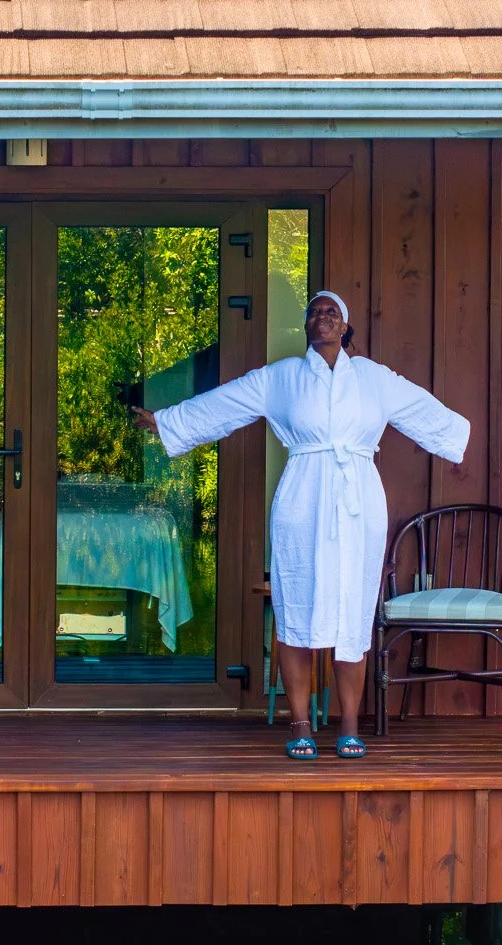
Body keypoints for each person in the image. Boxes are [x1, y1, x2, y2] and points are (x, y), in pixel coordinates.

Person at [131, 291, 469, 759]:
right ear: (307, 326)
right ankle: (300, 723)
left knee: (351, 610)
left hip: (358, 503)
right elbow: (226, 403)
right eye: (315, 311)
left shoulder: (375, 379)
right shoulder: (282, 378)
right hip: (302, 499)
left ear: (345, 327)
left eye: (332, 312)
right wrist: (169, 422)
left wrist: (457, 437)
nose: (323, 316)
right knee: (297, 609)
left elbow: (423, 409)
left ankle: (349, 722)